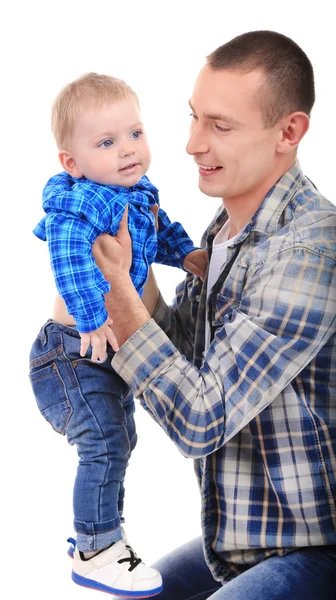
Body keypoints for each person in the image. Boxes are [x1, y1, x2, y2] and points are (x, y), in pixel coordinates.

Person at [91, 31, 336, 599]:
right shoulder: (226, 237)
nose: (192, 145)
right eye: (194, 118)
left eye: (220, 127)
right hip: (241, 542)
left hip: (314, 546)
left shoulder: (311, 250)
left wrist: (112, 295)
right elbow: (187, 359)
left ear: (289, 132)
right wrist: (133, 267)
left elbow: (202, 415)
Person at [29, 73, 208, 597]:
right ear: (72, 162)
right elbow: (68, 263)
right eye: (106, 143)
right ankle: (95, 548)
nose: (128, 150)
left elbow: (159, 228)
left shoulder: (137, 191)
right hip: (71, 353)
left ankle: (101, 532)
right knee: (105, 443)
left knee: (120, 441)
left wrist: (186, 254)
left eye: (135, 133)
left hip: (103, 351)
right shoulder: (78, 205)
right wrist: (90, 318)